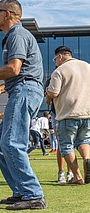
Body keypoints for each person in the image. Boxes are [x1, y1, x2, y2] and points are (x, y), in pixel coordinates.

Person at [0, 0, 47, 210]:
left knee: (12, 143)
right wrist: (0, 90)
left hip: (25, 91)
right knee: (0, 145)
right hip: (22, 89)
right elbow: (22, 73)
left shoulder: (17, 34)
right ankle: (21, 191)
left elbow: (14, 69)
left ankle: (33, 194)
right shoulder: (14, 36)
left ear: (7, 14)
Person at [46, 46, 90, 185]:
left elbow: (53, 93)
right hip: (86, 113)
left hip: (68, 114)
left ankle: (77, 177)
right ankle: (87, 159)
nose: (55, 62)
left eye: (55, 59)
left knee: (66, 146)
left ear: (59, 57)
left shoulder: (59, 71)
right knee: (84, 141)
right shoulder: (87, 67)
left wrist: (47, 93)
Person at [45, 73, 73, 184]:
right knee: (63, 143)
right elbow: (48, 98)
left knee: (67, 143)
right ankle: (64, 172)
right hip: (58, 113)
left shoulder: (70, 78)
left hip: (67, 113)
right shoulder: (51, 79)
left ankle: (68, 173)